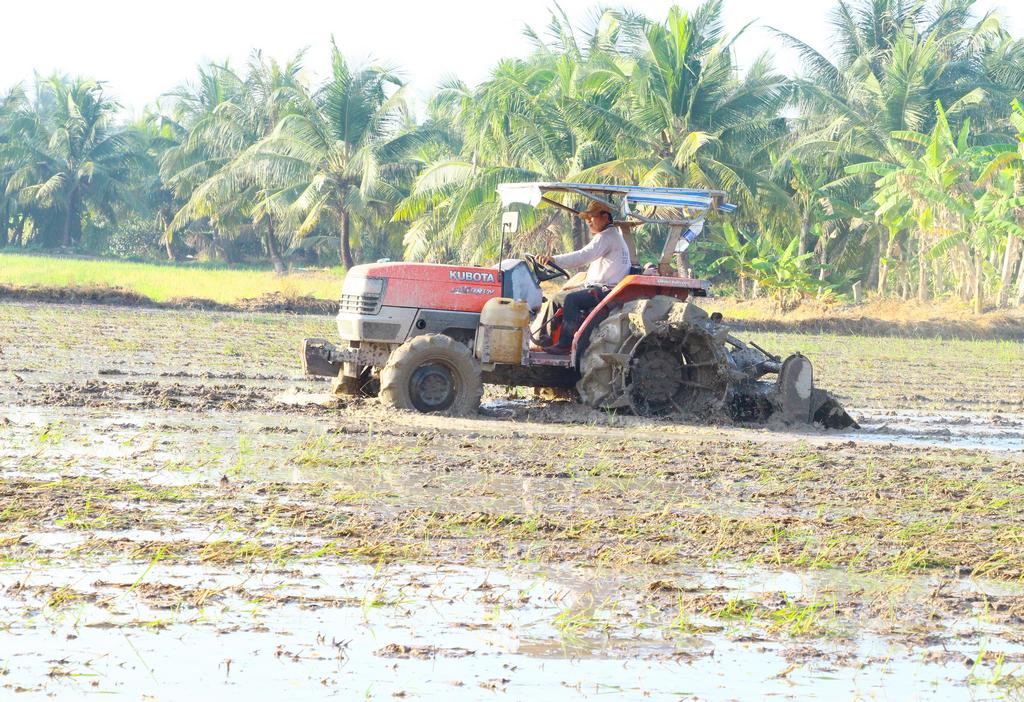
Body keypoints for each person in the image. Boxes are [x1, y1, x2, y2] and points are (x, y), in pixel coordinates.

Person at [538, 200, 631, 355]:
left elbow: (583, 255)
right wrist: (575, 285)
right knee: (556, 298)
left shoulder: (607, 237)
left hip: (606, 291)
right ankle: (545, 340)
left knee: (572, 300)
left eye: (592, 217)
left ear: (605, 217)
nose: (589, 221)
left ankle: (565, 345)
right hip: (598, 287)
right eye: (587, 218)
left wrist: (555, 260)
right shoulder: (610, 237)